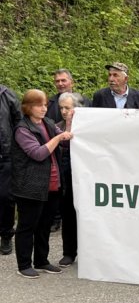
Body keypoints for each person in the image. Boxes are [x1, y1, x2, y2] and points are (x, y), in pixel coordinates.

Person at [12, 90, 72, 278]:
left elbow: (65, 142)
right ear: (28, 107)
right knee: (27, 226)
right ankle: (24, 264)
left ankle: (41, 260)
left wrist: (68, 125)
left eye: (45, 104)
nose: (44, 108)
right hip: (29, 186)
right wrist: (57, 138)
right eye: (39, 105)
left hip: (52, 184)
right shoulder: (23, 129)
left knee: (44, 225)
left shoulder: (48, 123)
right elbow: (38, 154)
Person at [55, 92, 84, 267]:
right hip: (66, 178)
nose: (64, 111)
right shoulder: (57, 127)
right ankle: (69, 252)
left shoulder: (87, 127)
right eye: (62, 108)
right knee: (68, 213)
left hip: (85, 177)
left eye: (68, 107)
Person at [0, 83, 22, 255]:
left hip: (5, 155)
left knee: (6, 197)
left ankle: (6, 234)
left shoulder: (7, 95)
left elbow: (19, 124)